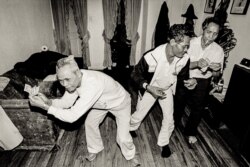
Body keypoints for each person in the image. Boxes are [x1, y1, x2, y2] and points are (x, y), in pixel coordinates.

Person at [29, 55, 140, 166]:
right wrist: (48, 102)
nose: (65, 85)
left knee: (123, 138)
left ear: (78, 73)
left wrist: (45, 107)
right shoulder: (73, 79)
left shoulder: (92, 85)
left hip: (120, 103)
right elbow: (66, 103)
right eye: (61, 81)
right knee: (90, 123)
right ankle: (95, 148)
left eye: (67, 80)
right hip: (100, 103)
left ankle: (131, 154)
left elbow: (72, 116)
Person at [129, 24, 195, 158]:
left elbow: (183, 79)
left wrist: (190, 83)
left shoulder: (185, 59)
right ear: (172, 42)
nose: (186, 50)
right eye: (184, 46)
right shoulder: (151, 56)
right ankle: (130, 128)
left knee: (169, 119)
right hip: (150, 88)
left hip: (167, 90)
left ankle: (164, 142)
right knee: (140, 113)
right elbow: (135, 74)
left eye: (188, 46)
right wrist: (148, 87)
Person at [174, 17, 224, 144]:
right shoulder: (190, 42)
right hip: (186, 75)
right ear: (203, 28)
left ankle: (190, 132)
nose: (211, 36)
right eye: (209, 32)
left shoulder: (218, 50)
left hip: (203, 80)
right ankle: (171, 126)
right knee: (179, 103)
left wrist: (216, 70)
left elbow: (217, 75)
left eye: (215, 34)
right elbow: (179, 64)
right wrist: (196, 63)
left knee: (198, 108)